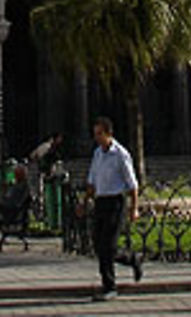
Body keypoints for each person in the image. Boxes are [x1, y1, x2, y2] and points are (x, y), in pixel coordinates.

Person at [81, 116, 142, 299]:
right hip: (101, 202)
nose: (97, 138)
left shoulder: (121, 154)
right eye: (95, 134)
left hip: (116, 202)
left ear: (109, 134)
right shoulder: (97, 154)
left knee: (107, 245)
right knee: (99, 245)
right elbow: (92, 182)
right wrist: (84, 203)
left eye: (100, 134)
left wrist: (134, 208)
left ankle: (109, 286)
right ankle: (131, 259)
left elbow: (132, 185)